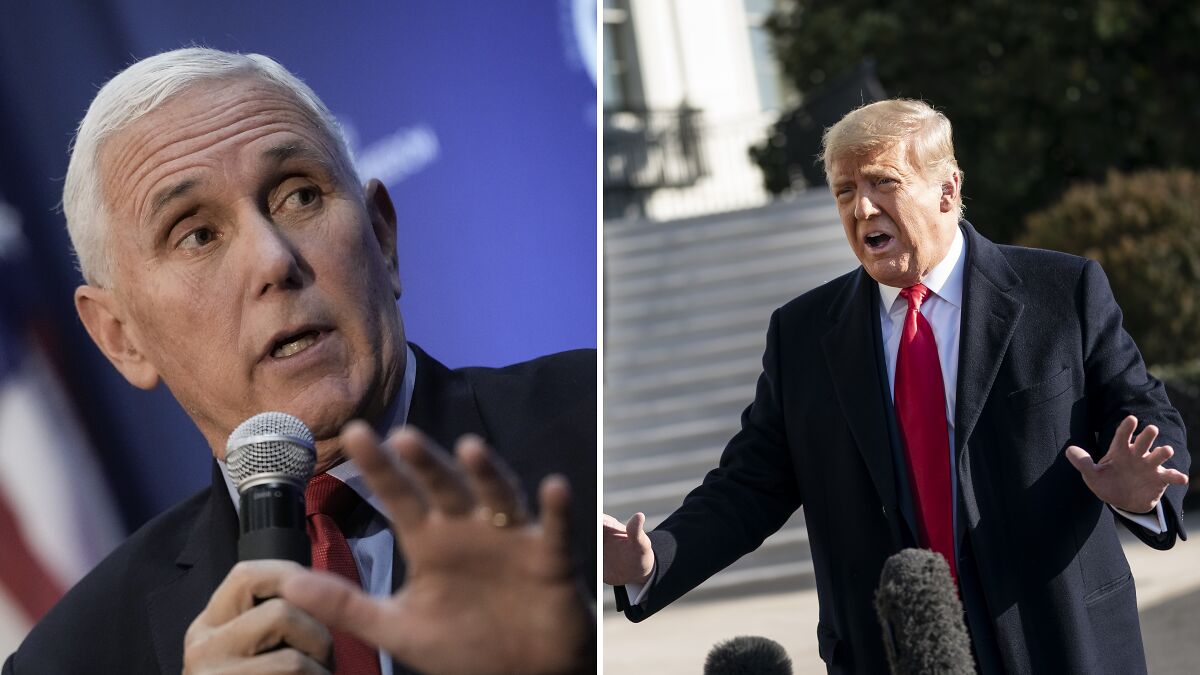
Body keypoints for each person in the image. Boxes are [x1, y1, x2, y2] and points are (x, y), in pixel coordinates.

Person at [3, 47, 594, 675]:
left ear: (383, 238)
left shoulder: (588, 425)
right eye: (196, 234)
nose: (273, 260)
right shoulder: (70, 660)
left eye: (299, 196)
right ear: (121, 337)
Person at [604, 98, 1190, 674]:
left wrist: (1142, 492)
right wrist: (654, 557)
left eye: (883, 183)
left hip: (1054, 638)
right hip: (889, 648)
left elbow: (1143, 416)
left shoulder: (1062, 292)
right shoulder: (802, 335)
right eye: (843, 191)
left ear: (948, 191)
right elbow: (748, 484)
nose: (861, 208)